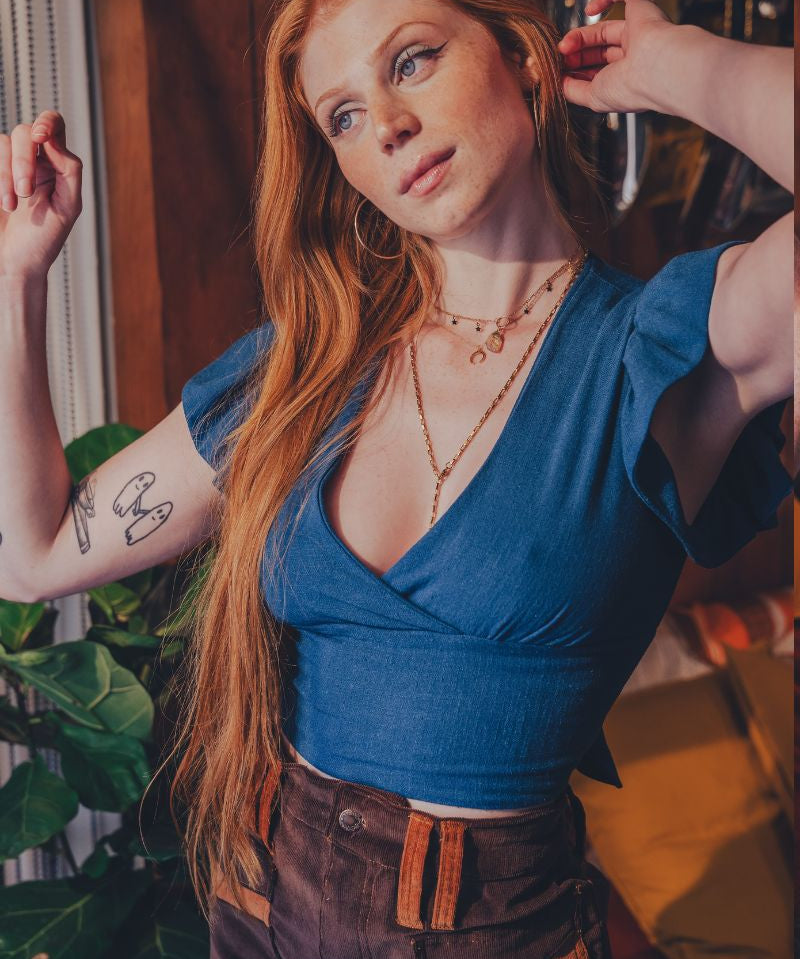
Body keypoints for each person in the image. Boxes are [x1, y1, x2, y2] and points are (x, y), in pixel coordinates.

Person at [0, 0, 792, 955]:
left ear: (517, 55)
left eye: (412, 61)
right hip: (259, 913)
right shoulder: (302, 374)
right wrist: (20, 277)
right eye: (341, 115)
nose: (386, 124)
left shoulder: (658, 362)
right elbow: (34, 555)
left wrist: (669, 62)